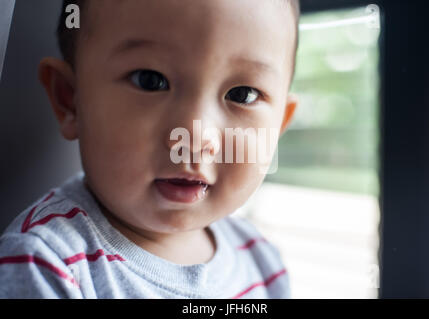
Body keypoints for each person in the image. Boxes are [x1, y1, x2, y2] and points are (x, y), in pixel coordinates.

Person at [0, 0, 300, 298]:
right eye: (151, 81)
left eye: (242, 94)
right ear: (71, 101)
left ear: (278, 127)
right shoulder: (45, 264)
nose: (194, 138)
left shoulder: (262, 262)